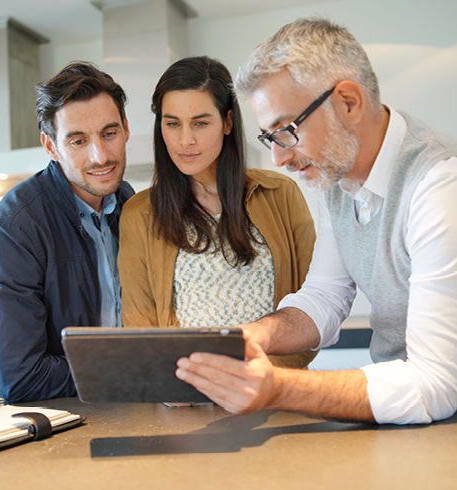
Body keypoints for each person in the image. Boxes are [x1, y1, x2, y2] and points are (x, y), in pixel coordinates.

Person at [174, 18, 457, 424]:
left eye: (285, 131)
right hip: (404, 407)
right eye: (270, 138)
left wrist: (276, 388)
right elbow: (324, 297)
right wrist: (255, 335)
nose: (278, 159)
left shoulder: (448, 186)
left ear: (348, 102)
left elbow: (432, 386)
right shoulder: (337, 177)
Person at [118, 56, 317, 369]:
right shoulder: (139, 215)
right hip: (186, 402)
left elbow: (313, 308)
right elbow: (140, 332)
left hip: (275, 393)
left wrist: (261, 379)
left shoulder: (280, 195)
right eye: (172, 124)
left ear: (227, 122)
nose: (185, 140)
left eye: (200, 123)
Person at [0, 62, 134, 402]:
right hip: (56, 425)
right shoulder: (14, 229)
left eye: (109, 134)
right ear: (51, 147)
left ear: (125, 129)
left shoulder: (130, 204)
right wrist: (131, 371)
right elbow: (19, 378)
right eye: (78, 140)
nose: (100, 156)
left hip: (133, 409)